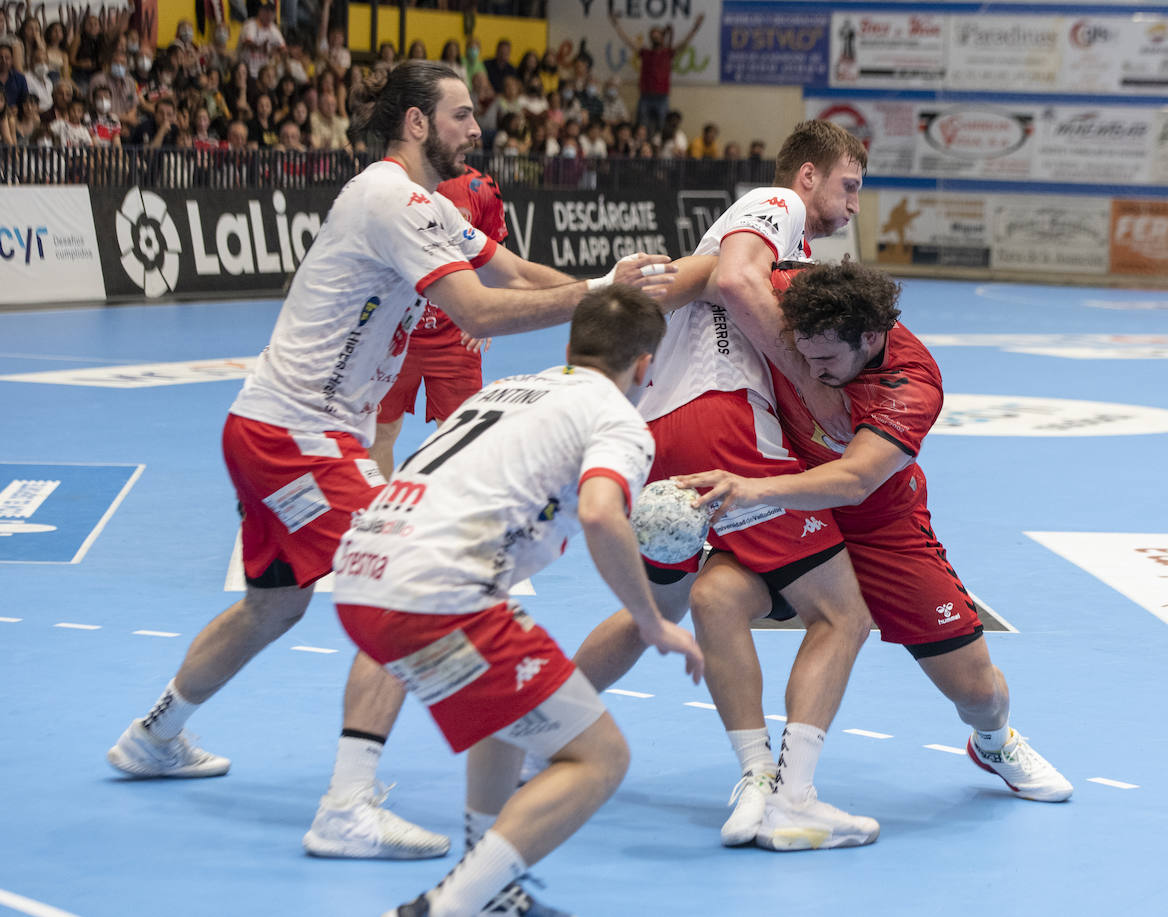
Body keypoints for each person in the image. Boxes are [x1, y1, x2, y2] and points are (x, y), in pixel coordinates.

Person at [105, 61, 677, 866]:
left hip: (279, 426)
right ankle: (346, 806)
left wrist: (621, 302)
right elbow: (477, 308)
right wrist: (594, 291)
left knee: (272, 608)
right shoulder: (390, 197)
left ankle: (151, 735)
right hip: (294, 433)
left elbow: (509, 271)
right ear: (416, 123)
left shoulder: (435, 203)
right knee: (399, 574)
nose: (476, 130)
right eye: (461, 116)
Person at [335, 285, 704, 917]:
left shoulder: (505, 391)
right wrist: (652, 620)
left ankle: (489, 884)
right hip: (437, 592)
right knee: (599, 757)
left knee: (506, 711)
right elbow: (598, 512)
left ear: (570, 347)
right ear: (646, 366)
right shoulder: (618, 420)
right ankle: (455, 905)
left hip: (361, 576)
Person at [568, 120, 880, 852]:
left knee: (667, 602)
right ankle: (784, 790)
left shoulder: (783, 245)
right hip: (723, 423)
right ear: (807, 175)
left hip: (661, 436)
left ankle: (533, 730)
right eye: (850, 185)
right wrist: (812, 382)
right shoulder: (776, 205)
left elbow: (704, 281)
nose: (854, 205)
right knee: (843, 612)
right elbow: (737, 280)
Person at [674, 260, 1074, 808]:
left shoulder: (910, 384)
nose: (808, 372)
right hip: (793, 511)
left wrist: (748, 490)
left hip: (881, 525)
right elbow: (721, 267)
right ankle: (763, 773)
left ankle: (995, 743)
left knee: (980, 693)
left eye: (825, 361)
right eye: (801, 353)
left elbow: (855, 481)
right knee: (713, 596)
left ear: (870, 338)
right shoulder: (801, 296)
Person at [370, 164, 507, 479]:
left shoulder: (480, 187)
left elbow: (495, 257)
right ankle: (378, 522)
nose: (472, 131)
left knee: (459, 443)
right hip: (394, 333)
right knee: (381, 432)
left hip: (455, 333)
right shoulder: (388, 183)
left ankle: (447, 524)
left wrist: (484, 313)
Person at [608, 9, 704, 136]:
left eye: (658, 34)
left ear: (662, 37)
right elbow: (628, 41)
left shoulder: (668, 53)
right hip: (645, 96)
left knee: (663, 128)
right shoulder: (645, 53)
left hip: (662, 97)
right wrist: (616, 25)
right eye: (653, 35)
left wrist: (696, 27)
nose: (655, 37)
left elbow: (684, 43)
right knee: (642, 127)